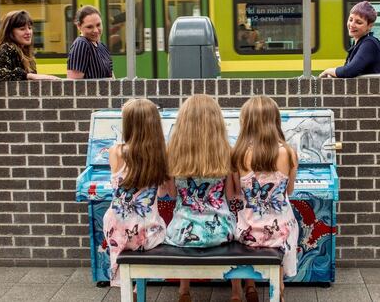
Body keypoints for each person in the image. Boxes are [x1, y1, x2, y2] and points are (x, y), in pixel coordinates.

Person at [164, 94, 235, 302]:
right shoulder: (226, 151)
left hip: (182, 233)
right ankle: (237, 292)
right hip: (220, 232)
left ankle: (184, 291)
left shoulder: (173, 152)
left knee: (186, 219)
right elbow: (230, 196)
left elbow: (172, 194)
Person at [229, 96, 299, 302]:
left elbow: (234, 194)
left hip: (248, 231)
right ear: (275, 121)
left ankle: (238, 291)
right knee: (289, 221)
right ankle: (279, 288)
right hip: (279, 233)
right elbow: (290, 192)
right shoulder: (289, 152)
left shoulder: (238, 154)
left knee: (234, 218)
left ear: (246, 122)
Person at [102, 98, 169, 291]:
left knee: (118, 224)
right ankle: (139, 282)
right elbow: (166, 192)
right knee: (161, 227)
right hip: (147, 235)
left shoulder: (115, 151)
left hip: (117, 232)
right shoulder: (161, 154)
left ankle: (126, 286)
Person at [0, 10, 59, 82]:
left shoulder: (26, 53)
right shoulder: (7, 48)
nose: (28, 32)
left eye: (29, 28)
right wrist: (28, 75)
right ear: (10, 32)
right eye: (22, 29)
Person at [319, 1, 380, 78]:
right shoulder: (357, 44)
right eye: (350, 20)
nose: (352, 25)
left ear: (369, 26)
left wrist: (328, 70)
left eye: (358, 22)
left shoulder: (369, 43)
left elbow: (349, 71)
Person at [67, 5, 114, 79]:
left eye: (98, 25)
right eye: (89, 27)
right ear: (79, 26)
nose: (96, 30)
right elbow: (73, 84)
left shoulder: (102, 46)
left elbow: (111, 77)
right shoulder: (81, 45)